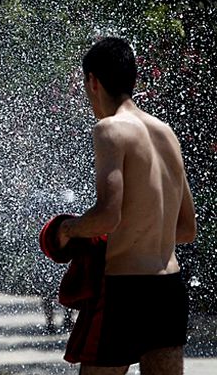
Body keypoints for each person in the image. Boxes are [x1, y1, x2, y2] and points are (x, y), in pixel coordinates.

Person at [57, 37, 196, 375]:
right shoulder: (167, 133)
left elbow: (107, 216)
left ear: (93, 82)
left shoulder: (110, 129)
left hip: (125, 290)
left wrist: (67, 229)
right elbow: (187, 229)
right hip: (168, 286)